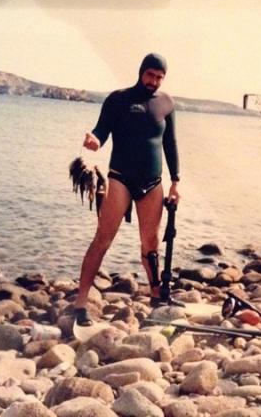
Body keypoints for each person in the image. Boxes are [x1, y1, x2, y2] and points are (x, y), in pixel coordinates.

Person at [73, 53, 181, 326]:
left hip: (152, 183)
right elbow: (101, 130)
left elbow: (170, 144)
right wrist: (94, 140)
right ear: (141, 72)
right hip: (120, 179)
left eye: (159, 77)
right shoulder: (118, 99)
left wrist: (176, 182)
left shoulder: (167, 103)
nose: (154, 81)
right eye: (150, 75)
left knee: (151, 244)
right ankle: (81, 303)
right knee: (102, 239)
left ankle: (156, 297)